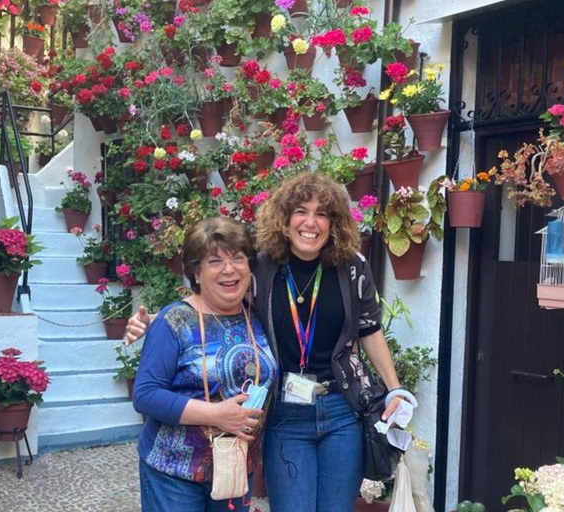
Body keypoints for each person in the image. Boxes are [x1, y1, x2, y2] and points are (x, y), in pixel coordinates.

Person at [128, 173, 414, 512]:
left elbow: (369, 329)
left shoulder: (352, 267)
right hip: (286, 412)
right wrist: (161, 320)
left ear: (334, 222)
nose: (311, 223)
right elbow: (213, 295)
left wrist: (394, 389)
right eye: (300, 211)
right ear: (285, 218)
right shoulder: (261, 268)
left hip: (341, 409)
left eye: (322, 213)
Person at [132, 217, 278, 512]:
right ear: (196, 273)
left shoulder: (258, 317)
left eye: (238, 258)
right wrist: (216, 414)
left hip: (235, 468)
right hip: (174, 473)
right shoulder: (174, 321)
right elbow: (145, 394)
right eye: (214, 261)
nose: (229, 269)